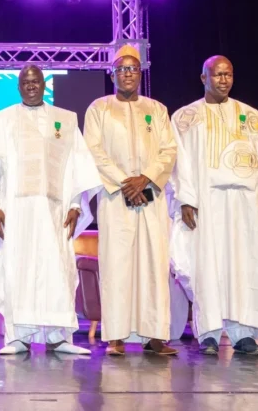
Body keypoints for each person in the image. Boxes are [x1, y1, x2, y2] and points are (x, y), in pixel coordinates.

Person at [170, 56, 258, 356]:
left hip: (246, 206)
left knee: (245, 267)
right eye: (217, 75)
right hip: (207, 204)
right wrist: (186, 198)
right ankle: (209, 333)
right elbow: (179, 162)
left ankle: (245, 334)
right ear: (204, 78)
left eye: (228, 74)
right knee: (208, 267)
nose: (223, 80)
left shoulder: (252, 116)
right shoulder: (186, 117)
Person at [0, 65, 102, 355]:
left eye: (36, 81)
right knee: (17, 270)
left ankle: (58, 338)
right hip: (16, 210)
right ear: (19, 86)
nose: (31, 86)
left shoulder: (65, 120)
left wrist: (75, 204)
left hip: (54, 212)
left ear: (44, 84)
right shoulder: (3, 119)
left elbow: (78, 165)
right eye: (26, 82)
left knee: (56, 270)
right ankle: (18, 338)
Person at [83, 44, 178, 356]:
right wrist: (125, 183)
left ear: (140, 73)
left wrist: (145, 178)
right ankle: (116, 336)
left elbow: (168, 150)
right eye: (122, 69)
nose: (128, 74)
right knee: (117, 264)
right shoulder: (99, 109)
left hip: (150, 196)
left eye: (133, 69)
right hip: (116, 198)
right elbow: (94, 151)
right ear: (112, 74)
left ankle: (155, 335)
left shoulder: (157, 109)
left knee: (154, 263)